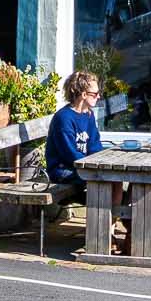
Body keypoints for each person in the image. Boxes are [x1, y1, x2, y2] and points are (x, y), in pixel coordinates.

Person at [45, 70, 108, 203]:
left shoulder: (88, 115)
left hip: (80, 167)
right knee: (102, 180)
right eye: (95, 94)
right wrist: (92, 167)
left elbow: (95, 146)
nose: (99, 97)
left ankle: (110, 221)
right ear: (84, 94)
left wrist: (101, 162)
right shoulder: (64, 118)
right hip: (62, 170)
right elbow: (69, 154)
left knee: (113, 179)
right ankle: (100, 220)